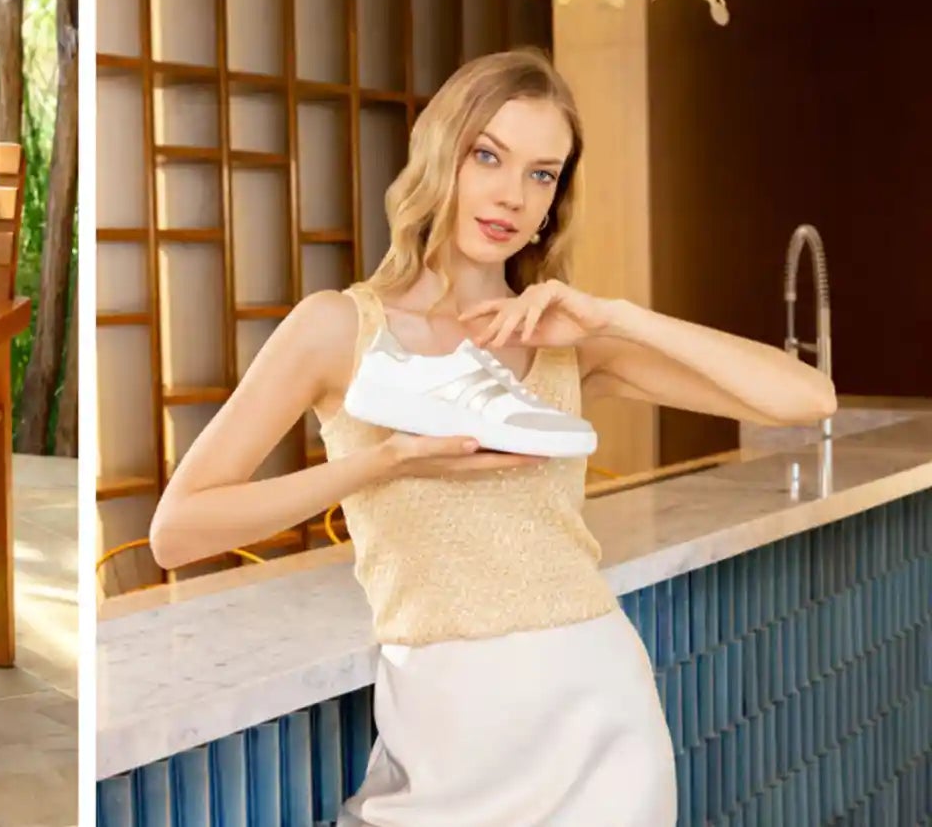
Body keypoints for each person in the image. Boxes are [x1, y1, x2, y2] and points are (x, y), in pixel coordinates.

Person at [147, 48, 835, 825]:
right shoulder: (338, 329)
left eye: (543, 174)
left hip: (598, 721)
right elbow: (177, 531)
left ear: (554, 201)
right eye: (488, 156)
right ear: (444, 156)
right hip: (444, 736)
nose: (512, 194)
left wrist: (616, 315)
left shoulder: (567, 339)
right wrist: (384, 460)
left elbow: (806, 398)